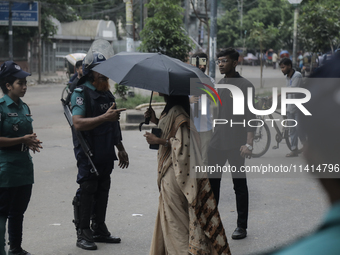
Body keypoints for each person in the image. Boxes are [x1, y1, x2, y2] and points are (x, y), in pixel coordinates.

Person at [256, 48, 340, 255]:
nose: (283, 68)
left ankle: (294, 145)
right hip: (291, 107)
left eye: (284, 66)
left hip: (295, 108)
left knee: (292, 129)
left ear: (311, 159)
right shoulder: (291, 77)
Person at [144, 95, 231, 255]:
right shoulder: (170, 110)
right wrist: (155, 120)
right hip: (169, 170)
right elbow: (169, 130)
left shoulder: (179, 113)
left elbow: (183, 145)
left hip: (174, 173)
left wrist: (159, 141)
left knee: (175, 222)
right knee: (171, 218)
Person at [70, 40, 129, 250]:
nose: (105, 75)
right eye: (100, 71)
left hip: (106, 151)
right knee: (87, 189)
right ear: (90, 72)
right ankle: (83, 232)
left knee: (103, 188)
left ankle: (99, 228)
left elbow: (114, 124)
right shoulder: (81, 93)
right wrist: (104, 118)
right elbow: (78, 123)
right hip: (89, 152)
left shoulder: (106, 93)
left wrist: (120, 148)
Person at [208, 47, 255, 240]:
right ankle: (211, 224)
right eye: (218, 61)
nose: (220, 64)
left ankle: (241, 226)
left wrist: (249, 143)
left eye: (224, 61)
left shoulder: (245, 85)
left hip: (236, 144)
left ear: (235, 63)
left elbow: (251, 115)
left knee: (239, 185)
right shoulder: (221, 83)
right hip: (217, 142)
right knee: (213, 185)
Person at [0, 61, 43, 255]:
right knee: (2, 213)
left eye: (25, 83)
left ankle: (16, 249)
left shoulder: (24, 107)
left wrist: (31, 141)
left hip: (24, 167)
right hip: (6, 168)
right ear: (8, 86)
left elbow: (27, 133)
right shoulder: (1, 108)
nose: (25, 87)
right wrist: (21, 139)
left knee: (18, 211)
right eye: (20, 83)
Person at [189, 51, 215, 166]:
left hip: (205, 127)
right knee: (191, 159)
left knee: (204, 160)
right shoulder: (185, 81)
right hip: (190, 127)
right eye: (199, 63)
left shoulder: (210, 81)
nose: (202, 66)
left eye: (204, 63)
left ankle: (203, 183)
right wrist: (188, 100)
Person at [279, 57, 306, 157]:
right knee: (292, 129)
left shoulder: (297, 75)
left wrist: (277, 94)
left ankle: (306, 145)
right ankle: (294, 149)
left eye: (283, 67)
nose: (282, 70)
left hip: (299, 106)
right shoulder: (287, 77)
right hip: (290, 107)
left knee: (299, 128)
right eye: (281, 68)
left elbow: (292, 90)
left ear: (289, 66)